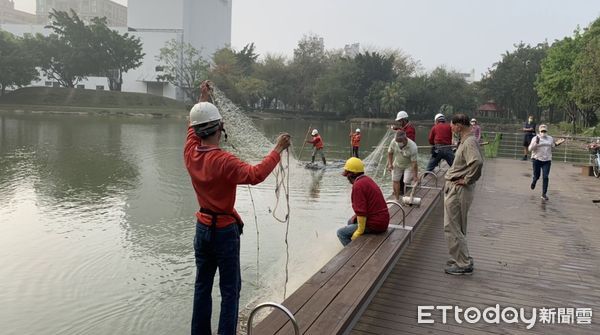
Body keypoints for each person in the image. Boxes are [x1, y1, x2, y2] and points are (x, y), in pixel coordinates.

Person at [184, 81, 291, 335]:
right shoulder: (223, 161)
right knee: (230, 290)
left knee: (202, 286)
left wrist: (203, 99)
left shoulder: (190, 152)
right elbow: (255, 174)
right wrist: (277, 149)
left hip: (202, 229)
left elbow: (192, 128)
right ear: (219, 129)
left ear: (198, 130)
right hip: (223, 231)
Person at [443, 113, 483, 276]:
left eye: (452, 125)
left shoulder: (469, 142)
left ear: (459, 126)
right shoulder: (466, 141)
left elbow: (477, 162)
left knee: (452, 225)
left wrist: (467, 180)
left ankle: (463, 263)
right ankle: (460, 257)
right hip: (457, 188)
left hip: (459, 189)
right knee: (456, 225)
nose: (451, 128)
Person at [337, 157, 390, 246]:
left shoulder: (358, 185)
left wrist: (359, 231)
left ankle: (353, 253)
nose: (347, 178)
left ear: (352, 174)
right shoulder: (366, 179)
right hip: (383, 219)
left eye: (347, 175)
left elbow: (361, 212)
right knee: (350, 221)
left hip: (376, 224)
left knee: (341, 233)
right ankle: (359, 244)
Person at [528, 124, 565, 201]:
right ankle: (534, 181)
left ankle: (544, 194)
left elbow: (553, 145)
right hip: (536, 159)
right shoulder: (535, 138)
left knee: (545, 177)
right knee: (537, 176)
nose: (543, 132)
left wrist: (559, 143)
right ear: (539, 131)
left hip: (547, 160)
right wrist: (536, 143)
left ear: (546, 131)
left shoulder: (550, 138)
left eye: (545, 131)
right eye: (542, 131)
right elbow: (529, 149)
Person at [387, 130, 419, 201]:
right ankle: (397, 199)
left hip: (409, 165)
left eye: (400, 141)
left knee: (406, 182)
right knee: (395, 180)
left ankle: (407, 198)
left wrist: (415, 175)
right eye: (397, 141)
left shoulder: (413, 146)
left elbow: (414, 163)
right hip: (397, 164)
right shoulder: (394, 142)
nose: (398, 143)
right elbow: (390, 152)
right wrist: (390, 164)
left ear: (405, 139)